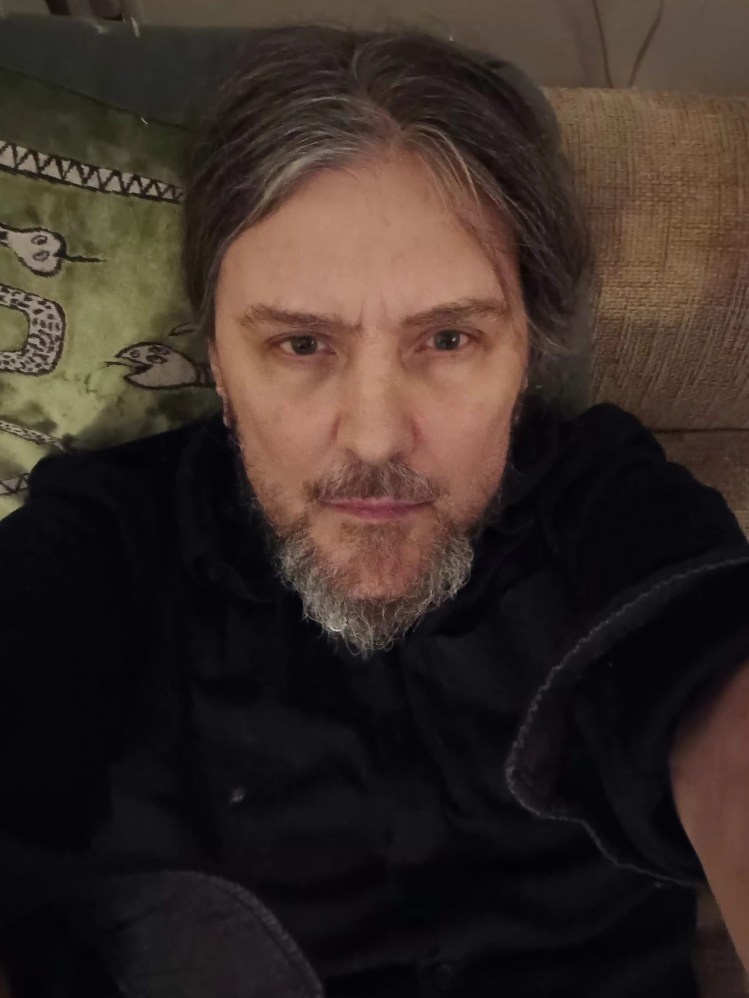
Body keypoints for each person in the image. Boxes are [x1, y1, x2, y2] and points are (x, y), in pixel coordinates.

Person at [1, 23, 748, 998]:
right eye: (300, 345)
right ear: (217, 360)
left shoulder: (601, 498)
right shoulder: (104, 540)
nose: (374, 437)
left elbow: (722, 698)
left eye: (447, 338)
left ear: (526, 350)